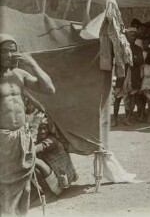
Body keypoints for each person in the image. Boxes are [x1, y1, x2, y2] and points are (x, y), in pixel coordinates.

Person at [0, 34, 55, 216]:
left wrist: (32, 63)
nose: (8, 55)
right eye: (4, 50)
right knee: (5, 190)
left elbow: (49, 89)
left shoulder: (20, 75)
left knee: (26, 189)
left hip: (22, 139)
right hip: (3, 141)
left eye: (12, 50)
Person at [34, 122, 77, 197]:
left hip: (60, 185)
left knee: (34, 160)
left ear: (50, 129)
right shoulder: (45, 139)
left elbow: (36, 149)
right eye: (40, 129)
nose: (42, 131)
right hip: (62, 178)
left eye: (45, 128)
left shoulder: (51, 140)